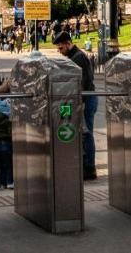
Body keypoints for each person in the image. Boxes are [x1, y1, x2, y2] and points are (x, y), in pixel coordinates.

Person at [54, 32, 97, 180]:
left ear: (67, 43)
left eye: (61, 48)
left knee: (86, 133)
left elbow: (83, 82)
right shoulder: (74, 56)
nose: (60, 51)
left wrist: (80, 102)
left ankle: (90, 167)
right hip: (84, 98)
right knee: (83, 133)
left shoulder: (77, 58)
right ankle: (86, 165)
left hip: (85, 99)